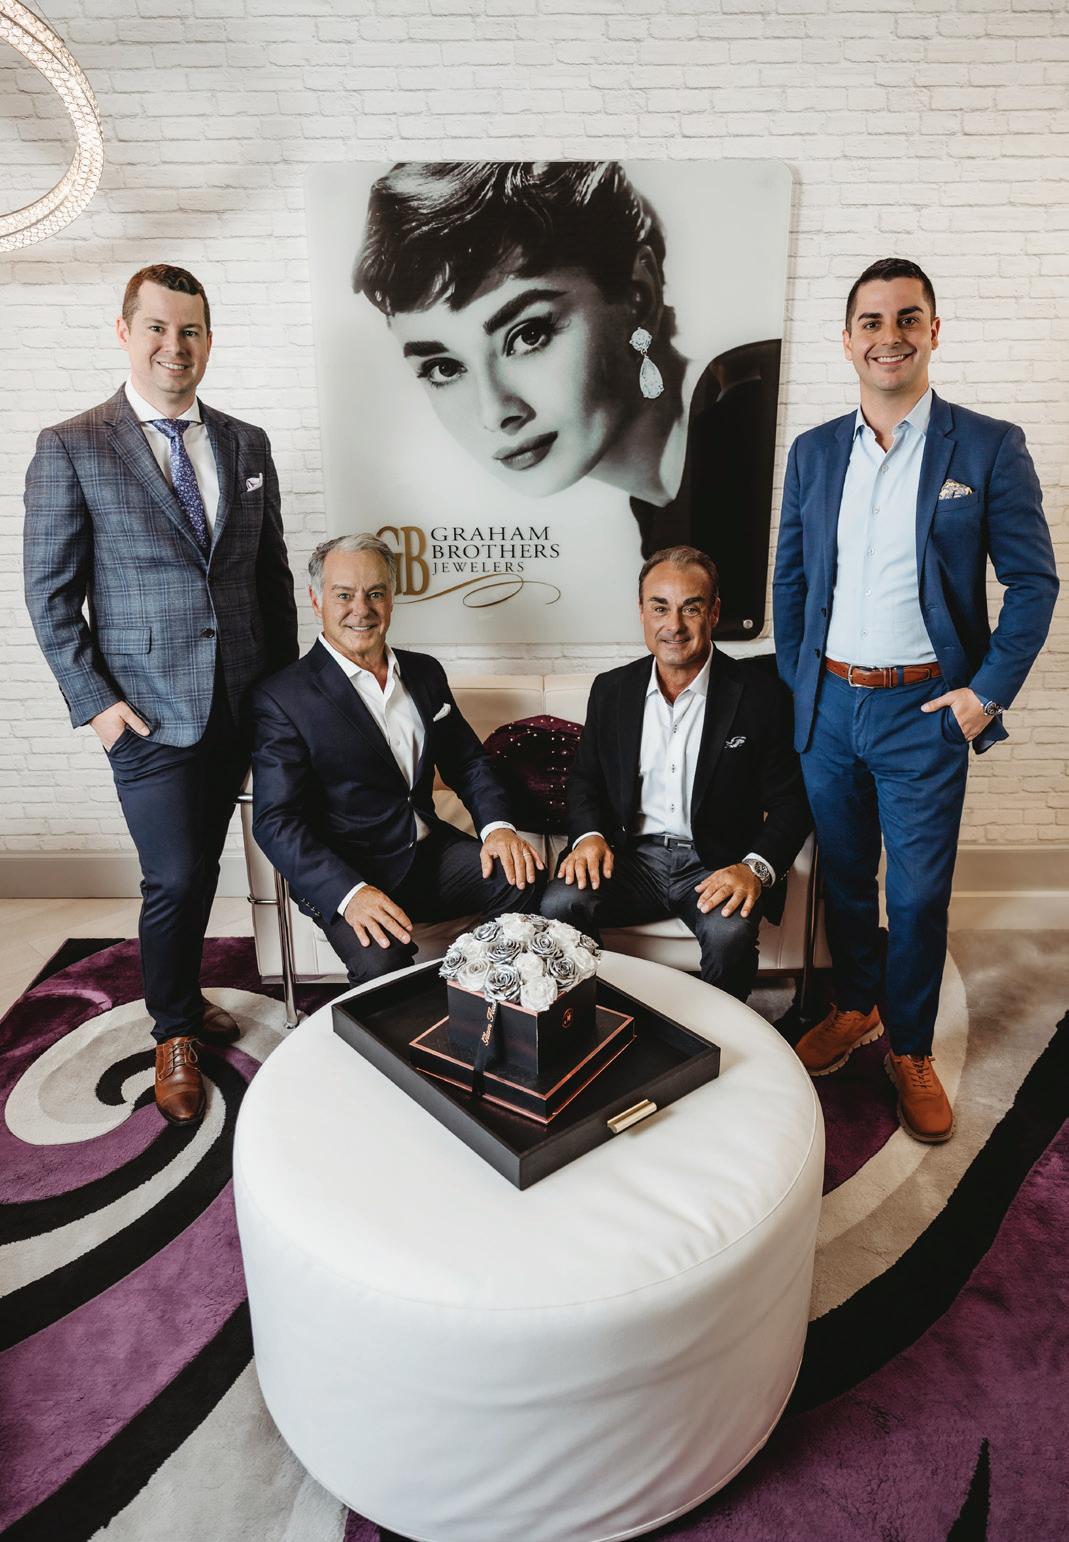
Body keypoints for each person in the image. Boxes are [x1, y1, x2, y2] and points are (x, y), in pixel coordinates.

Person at [773, 257, 1059, 1143]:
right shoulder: (813, 452)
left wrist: (984, 695)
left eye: (906, 318)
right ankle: (854, 1004)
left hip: (924, 712)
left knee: (920, 895)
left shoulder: (987, 446)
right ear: (846, 339)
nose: (887, 336)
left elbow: (1033, 583)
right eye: (870, 321)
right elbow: (790, 579)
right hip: (830, 707)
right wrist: (800, 684)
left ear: (932, 332)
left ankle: (908, 1047)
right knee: (845, 881)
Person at [24, 263, 299, 1127]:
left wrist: (288, 696)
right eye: (157, 328)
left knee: (212, 865)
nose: (174, 346)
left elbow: (270, 579)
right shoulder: (72, 445)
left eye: (190, 330)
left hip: (248, 702)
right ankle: (173, 1030)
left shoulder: (247, 444)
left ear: (208, 339)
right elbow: (49, 593)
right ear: (125, 332)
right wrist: (99, 707)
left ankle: (182, 992)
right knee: (175, 877)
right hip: (146, 714)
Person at [352, 160, 780, 638]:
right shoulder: (660, 499)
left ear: (638, 294)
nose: (495, 412)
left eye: (529, 334)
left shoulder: (744, 424)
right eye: (445, 368)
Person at [251, 534, 545, 984]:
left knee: (520, 875)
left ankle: (485, 991)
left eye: (375, 593)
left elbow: (468, 763)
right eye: (343, 595)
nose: (361, 609)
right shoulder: (282, 697)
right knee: (381, 967)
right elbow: (276, 821)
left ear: (391, 599)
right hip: (349, 870)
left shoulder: (425, 672)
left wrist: (498, 829)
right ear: (315, 600)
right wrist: (349, 894)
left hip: (429, 854)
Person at [540, 546, 811, 1000]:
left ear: (715, 613)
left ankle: (718, 1033)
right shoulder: (611, 690)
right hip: (630, 859)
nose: (674, 625)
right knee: (559, 903)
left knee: (729, 936)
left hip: (715, 863)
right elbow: (585, 780)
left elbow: (792, 801)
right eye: (660, 608)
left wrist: (754, 869)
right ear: (641, 613)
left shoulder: (760, 696)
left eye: (691, 608)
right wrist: (589, 837)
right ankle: (596, 1019)